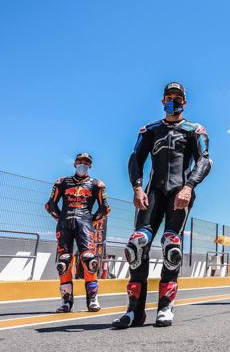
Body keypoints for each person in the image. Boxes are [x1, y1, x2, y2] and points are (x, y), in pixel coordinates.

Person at [113, 81, 212, 329]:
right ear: (162, 101)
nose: (173, 101)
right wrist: (136, 187)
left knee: (171, 245)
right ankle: (134, 310)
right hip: (152, 191)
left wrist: (189, 187)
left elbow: (205, 161)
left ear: (185, 102)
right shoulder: (149, 129)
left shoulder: (194, 129)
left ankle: (165, 307)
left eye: (178, 98)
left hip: (180, 191)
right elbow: (135, 158)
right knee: (137, 244)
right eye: (169, 96)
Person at [45, 152, 110, 313]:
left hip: (85, 224)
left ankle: (93, 299)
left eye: (86, 162)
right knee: (64, 262)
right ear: (74, 164)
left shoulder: (97, 184)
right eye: (80, 161)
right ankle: (66, 301)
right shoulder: (62, 182)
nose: (83, 164)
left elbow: (105, 208)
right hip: (64, 224)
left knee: (89, 260)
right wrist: (61, 219)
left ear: (90, 166)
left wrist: (90, 221)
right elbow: (50, 205)